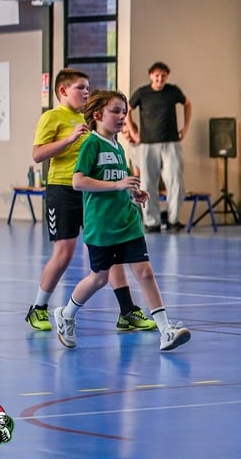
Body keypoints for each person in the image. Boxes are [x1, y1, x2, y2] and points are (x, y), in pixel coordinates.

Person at [53, 90, 191, 351]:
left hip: (128, 223)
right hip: (102, 227)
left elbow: (121, 181)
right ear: (97, 115)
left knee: (145, 272)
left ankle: (165, 331)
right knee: (99, 278)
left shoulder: (118, 147)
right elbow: (78, 181)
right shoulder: (92, 144)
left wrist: (133, 192)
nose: (121, 117)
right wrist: (117, 185)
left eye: (124, 112)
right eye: (115, 111)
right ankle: (66, 314)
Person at [26, 69, 156, 333]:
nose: (86, 92)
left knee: (112, 248)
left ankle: (127, 310)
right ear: (63, 91)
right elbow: (38, 154)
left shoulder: (90, 119)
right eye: (80, 87)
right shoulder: (52, 117)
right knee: (64, 253)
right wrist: (70, 138)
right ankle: (38, 308)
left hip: (95, 192)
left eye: (88, 88)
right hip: (64, 190)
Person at [128, 62, 192, 233]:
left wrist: (185, 128)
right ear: (151, 76)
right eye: (157, 75)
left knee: (175, 182)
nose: (160, 79)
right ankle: (152, 222)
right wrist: (133, 131)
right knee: (148, 183)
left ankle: (173, 220)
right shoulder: (142, 93)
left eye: (163, 76)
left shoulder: (173, 91)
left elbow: (187, 104)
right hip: (148, 144)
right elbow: (127, 109)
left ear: (167, 76)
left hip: (171, 143)